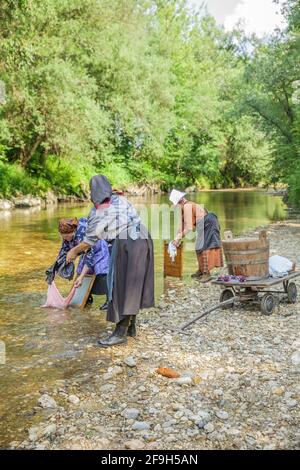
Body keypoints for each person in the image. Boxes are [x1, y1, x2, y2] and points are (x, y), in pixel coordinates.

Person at [66, 175, 154, 347]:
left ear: (92, 194)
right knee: (133, 285)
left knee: (120, 287)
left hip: (126, 242)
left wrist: (73, 251)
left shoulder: (97, 212)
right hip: (143, 237)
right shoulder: (120, 199)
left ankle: (119, 333)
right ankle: (131, 327)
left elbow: (89, 241)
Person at [170, 189, 223, 282]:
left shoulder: (187, 206)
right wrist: (176, 240)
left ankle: (207, 274)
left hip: (209, 222)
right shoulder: (183, 209)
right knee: (198, 247)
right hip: (202, 225)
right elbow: (181, 227)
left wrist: (178, 238)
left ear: (181, 201)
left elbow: (189, 228)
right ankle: (201, 270)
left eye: (177, 204)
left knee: (205, 247)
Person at [57, 217, 110, 309]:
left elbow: (89, 258)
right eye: (63, 236)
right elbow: (63, 251)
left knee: (101, 272)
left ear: (73, 231)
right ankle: (86, 298)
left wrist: (81, 277)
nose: (66, 238)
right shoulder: (66, 237)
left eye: (68, 236)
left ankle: (110, 300)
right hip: (86, 251)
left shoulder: (82, 234)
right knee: (79, 271)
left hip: (98, 249)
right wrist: (54, 269)